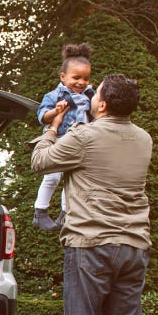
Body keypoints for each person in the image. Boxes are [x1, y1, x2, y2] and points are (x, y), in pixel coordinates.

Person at [30, 74, 152, 315]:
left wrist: (52, 127)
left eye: (95, 93)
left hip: (90, 245)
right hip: (134, 246)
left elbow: (41, 162)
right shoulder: (144, 139)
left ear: (102, 105)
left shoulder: (84, 136)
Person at [33, 44, 95, 231]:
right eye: (76, 78)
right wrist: (55, 112)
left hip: (78, 142)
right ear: (63, 77)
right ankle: (40, 212)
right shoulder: (55, 95)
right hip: (58, 139)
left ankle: (64, 214)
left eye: (85, 78)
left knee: (72, 181)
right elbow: (41, 116)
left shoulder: (90, 96)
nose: (81, 83)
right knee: (52, 178)